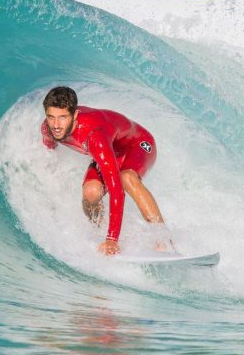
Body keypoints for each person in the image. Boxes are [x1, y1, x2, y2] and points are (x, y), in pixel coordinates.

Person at [40, 86, 169, 255]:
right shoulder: (48, 129)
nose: (56, 125)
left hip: (137, 145)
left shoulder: (94, 136)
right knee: (91, 193)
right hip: (109, 152)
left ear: (75, 116)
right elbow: (50, 151)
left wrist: (111, 239)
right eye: (51, 117)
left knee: (126, 178)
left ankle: (163, 240)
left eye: (63, 117)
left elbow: (117, 191)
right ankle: (98, 230)